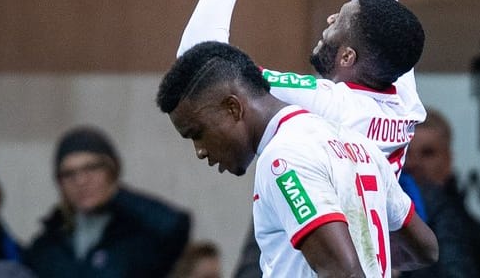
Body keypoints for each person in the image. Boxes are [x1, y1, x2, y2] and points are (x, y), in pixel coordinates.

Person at [176, 0, 427, 274]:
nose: (328, 19)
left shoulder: (331, 108)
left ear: (347, 57)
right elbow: (384, 1)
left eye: (338, 21)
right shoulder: (403, 102)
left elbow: (198, 62)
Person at [157, 41, 438, 276]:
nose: (200, 150)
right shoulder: (357, 142)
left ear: (233, 107)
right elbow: (425, 247)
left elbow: (344, 272)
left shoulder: (282, 158)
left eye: (197, 133)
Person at [25, 126, 191, 278]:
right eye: (69, 174)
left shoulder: (136, 236)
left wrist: (117, 194)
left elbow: (175, 225)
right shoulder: (48, 245)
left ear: (111, 170)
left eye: (91, 168)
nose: (81, 181)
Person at [404, 108, 480, 278]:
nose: (413, 163)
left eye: (427, 153)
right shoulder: (376, 226)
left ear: (448, 160)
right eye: (405, 152)